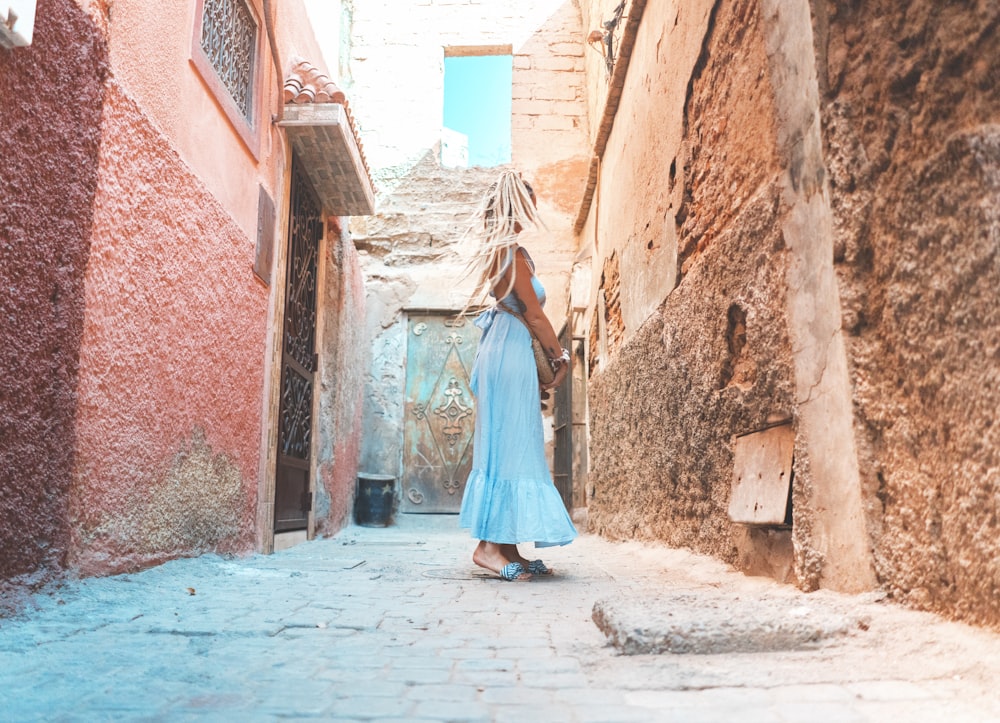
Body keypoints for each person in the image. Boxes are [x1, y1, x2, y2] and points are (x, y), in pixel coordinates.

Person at [458, 169, 578, 581]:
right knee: (512, 440)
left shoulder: (506, 251)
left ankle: (507, 545)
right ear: (513, 206)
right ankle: (488, 547)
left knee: (512, 439)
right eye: (527, 205)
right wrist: (562, 359)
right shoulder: (509, 253)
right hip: (510, 351)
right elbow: (536, 315)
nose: (533, 213)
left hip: (504, 349)